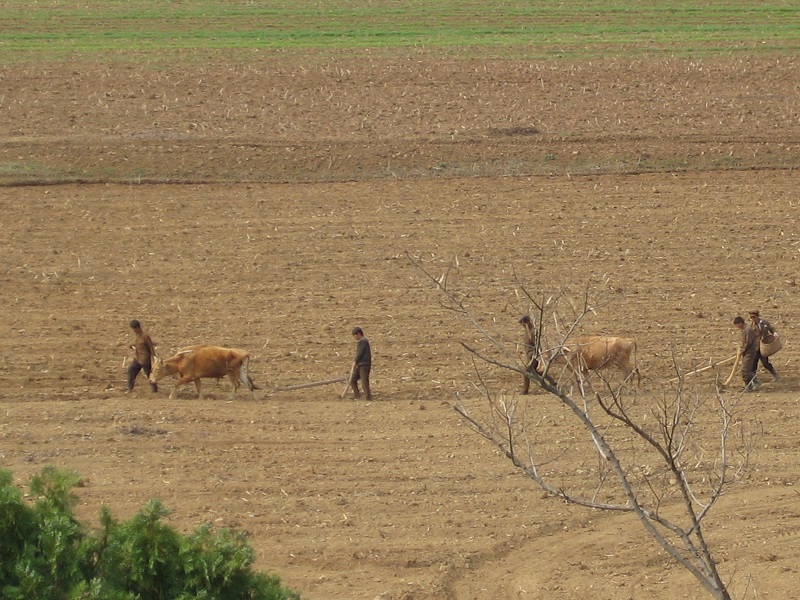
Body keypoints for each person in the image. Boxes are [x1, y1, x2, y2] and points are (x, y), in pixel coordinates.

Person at [127, 319, 158, 393]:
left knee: (149, 374)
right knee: (131, 370)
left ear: (138, 328)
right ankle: (129, 388)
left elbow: (150, 346)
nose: (133, 330)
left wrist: (154, 357)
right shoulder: (137, 335)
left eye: (134, 329)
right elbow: (138, 344)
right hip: (138, 358)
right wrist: (131, 345)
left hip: (145, 359)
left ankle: (154, 389)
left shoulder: (145, 336)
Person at [749, 309, 779, 381]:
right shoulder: (750, 326)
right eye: (751, 317)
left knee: (765, 363)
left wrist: (774, 333)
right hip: (755, 348)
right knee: (753, 365)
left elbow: (771, 329)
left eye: (754, 317)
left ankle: (774, 373)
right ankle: (754, 380)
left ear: (757, 316)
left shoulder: (764, 323)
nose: (752, 319)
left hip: (764, 347)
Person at [733, 316, 760, 392]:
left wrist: (743, 350)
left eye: (737, 325)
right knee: (745, 370)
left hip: (750, 352)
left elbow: (748, 342)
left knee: (745, 370)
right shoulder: (744, 330)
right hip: (747, 352)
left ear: (740, 323)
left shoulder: (748, 330)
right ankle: (749, 386)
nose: (737, 327)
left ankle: (756, 382)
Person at [350, 326, 372, 400]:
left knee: (364, 382)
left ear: (359, 334)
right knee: (352, 380)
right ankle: (357, 395)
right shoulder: (362, 341)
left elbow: (360, 353)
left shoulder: (363, 341)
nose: (355, 337)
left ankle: (368, 398)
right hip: (360, 365)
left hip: (364, 365)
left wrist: (355, 361)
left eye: (355, 336)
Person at [519, 315, 540, 395]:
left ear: (527, 322)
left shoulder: (533, 332)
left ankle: (525, 390)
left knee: (527, 371)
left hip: (533, 355)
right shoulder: (528, 331)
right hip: (529, 355)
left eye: (523, 324)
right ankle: (552, 382)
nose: (522, 326)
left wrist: (536, 355)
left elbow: (537, 345)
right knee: (535, 372)